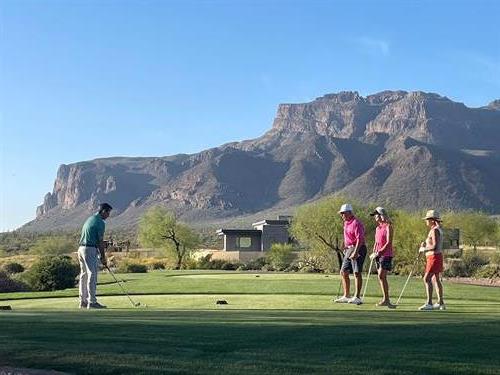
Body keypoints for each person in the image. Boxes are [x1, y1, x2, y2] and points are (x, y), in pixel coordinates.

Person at [78, 203, 112, 309]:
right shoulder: (100, 222)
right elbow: (100, 242)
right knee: (92, 274)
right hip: (89, 249)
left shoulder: (91, 218)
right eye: (108, 212)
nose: (108, 215)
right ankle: (92, 302)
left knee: (84, 275)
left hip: (81, 249)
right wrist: (103, 257)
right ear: (103, 211)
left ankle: (83, 301)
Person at [334, 203, 367, 305]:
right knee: (344, 272)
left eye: (343, 213)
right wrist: (344, 246)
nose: (341, 215)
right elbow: (347, 237)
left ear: (349, 213)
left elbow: (360, 239)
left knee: (357, 272)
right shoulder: (346, 223)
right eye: (341, 213)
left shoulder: (356, 223)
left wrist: (356, 252)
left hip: (359, 248)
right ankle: (346, 295)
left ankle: (357, 297)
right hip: (349, 249)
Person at [418, 209, 446, 311]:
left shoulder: (434, 230)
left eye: (427, 219)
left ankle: (429, 303)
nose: (426, 221)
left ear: (432, 220)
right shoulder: (437, 229)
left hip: (434, 257)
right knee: (436, 279)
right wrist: (425, 245)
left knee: (426, 279)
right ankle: (440, 303)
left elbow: (434, 246)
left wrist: (423, 249)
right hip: (436, 256)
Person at [369, 207, 395, 308]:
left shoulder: (388, 227)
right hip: (378, 255)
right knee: (381, 277)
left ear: (381, 215)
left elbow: (388, 243)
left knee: (381, 275)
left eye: (376, 214)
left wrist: (379, 252)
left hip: (386, 255)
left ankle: (386, 299)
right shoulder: (378, 228)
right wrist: (374, 251)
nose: (375, 216)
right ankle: (386, 299)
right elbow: (376, 242)